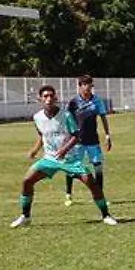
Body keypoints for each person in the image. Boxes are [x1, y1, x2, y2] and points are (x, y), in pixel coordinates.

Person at [10, 85, 117, 228]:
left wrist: (64, 150)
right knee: (27, 181)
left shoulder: (66, 115)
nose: (48, 99)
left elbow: (76, 136)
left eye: (51, 96)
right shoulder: (37, 117)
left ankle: (106, 215)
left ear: (56, 98)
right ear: (40, 99)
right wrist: (35, 150)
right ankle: (25, 216)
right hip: (50, 159)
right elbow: (42, 135)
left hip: (70, 158)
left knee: (91, 182)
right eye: (45, 96)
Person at [64, 74, 112, 206]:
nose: (88, 88)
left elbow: (103, 117)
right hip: (77, 141)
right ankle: (68, 195)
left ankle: (99, 195)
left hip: (93, 140)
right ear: (79, 86)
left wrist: (107, 135)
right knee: (71, 168)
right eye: (85, 85)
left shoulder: (97, 101)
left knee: (98, 167)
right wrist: (67, 138)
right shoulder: (73, 102)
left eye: (90, 86)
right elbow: (67, 120)